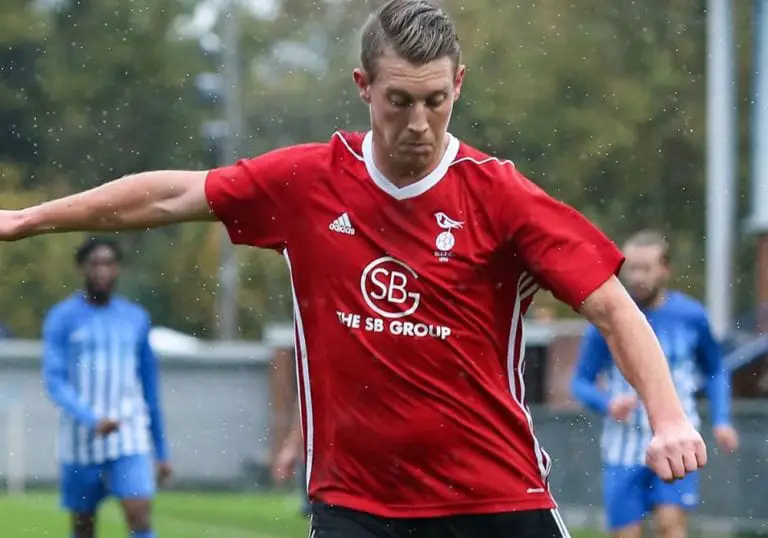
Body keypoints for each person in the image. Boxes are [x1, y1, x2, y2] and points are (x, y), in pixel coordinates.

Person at [2, 1, 707, 536]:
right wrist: (28, 220)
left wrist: (668, 417)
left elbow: (615, 306)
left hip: (494, 498)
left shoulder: (501, 197)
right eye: (399, 101)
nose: (419, 122)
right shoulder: (309, 183)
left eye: (436, 100)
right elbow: (172, 193)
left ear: (458, 84)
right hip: (354, 506)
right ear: (363, 85)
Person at [571, 230, 739, 538]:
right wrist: (607, 403)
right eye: (631, 268)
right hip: (623, 446)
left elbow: (715, 370)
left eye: (645, 268)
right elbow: (579, 381)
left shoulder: (691, 316)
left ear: (664, 268)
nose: (637, 277)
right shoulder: (608, 317)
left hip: (677, 440)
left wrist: (722, 419)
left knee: (670, 527)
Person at [42, 237, 172, 538]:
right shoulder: (62, 318)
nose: (102, 271)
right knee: (83, 527)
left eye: (109, 264)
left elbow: (150, 388)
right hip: (80, 440)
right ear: (82, 269)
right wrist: (91, 419)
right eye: (95, 264)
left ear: (118, 269)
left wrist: (161, 451)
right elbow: (54, 380)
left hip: (129, 437)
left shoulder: (135, 319)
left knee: (139, 515)